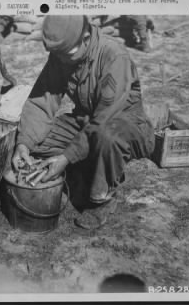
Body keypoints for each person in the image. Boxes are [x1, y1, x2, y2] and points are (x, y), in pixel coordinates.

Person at [11, 15, 155, 229]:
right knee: (37, 138)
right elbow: (42, 102)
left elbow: (104, 119)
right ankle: (85, 167)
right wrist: (24, 144)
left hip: (125, 125)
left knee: (107, 136)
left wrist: (66, 157)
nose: (59, 60)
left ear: (86, 38)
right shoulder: (62, 55)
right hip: (86, 122)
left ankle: (101, 199)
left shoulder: (114, 57)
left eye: (64, 54)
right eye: (56, 54)